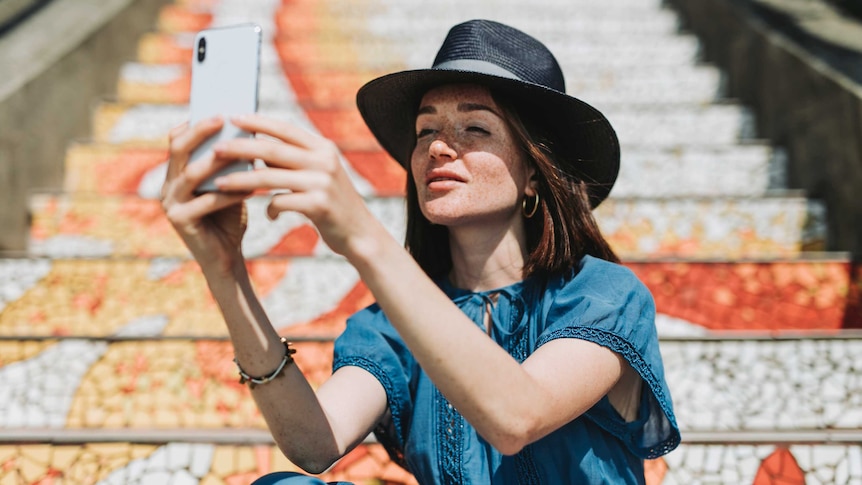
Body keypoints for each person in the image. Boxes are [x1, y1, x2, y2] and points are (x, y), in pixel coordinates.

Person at [161, 19, 680, 485]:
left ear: (532, 175)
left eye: (475, 128)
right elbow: (315, 445)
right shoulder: (393, 323)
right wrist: (226, 272)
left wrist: (364, 237)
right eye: (425, 129)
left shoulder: (604, 294)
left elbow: (517, 417)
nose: (437, 147)